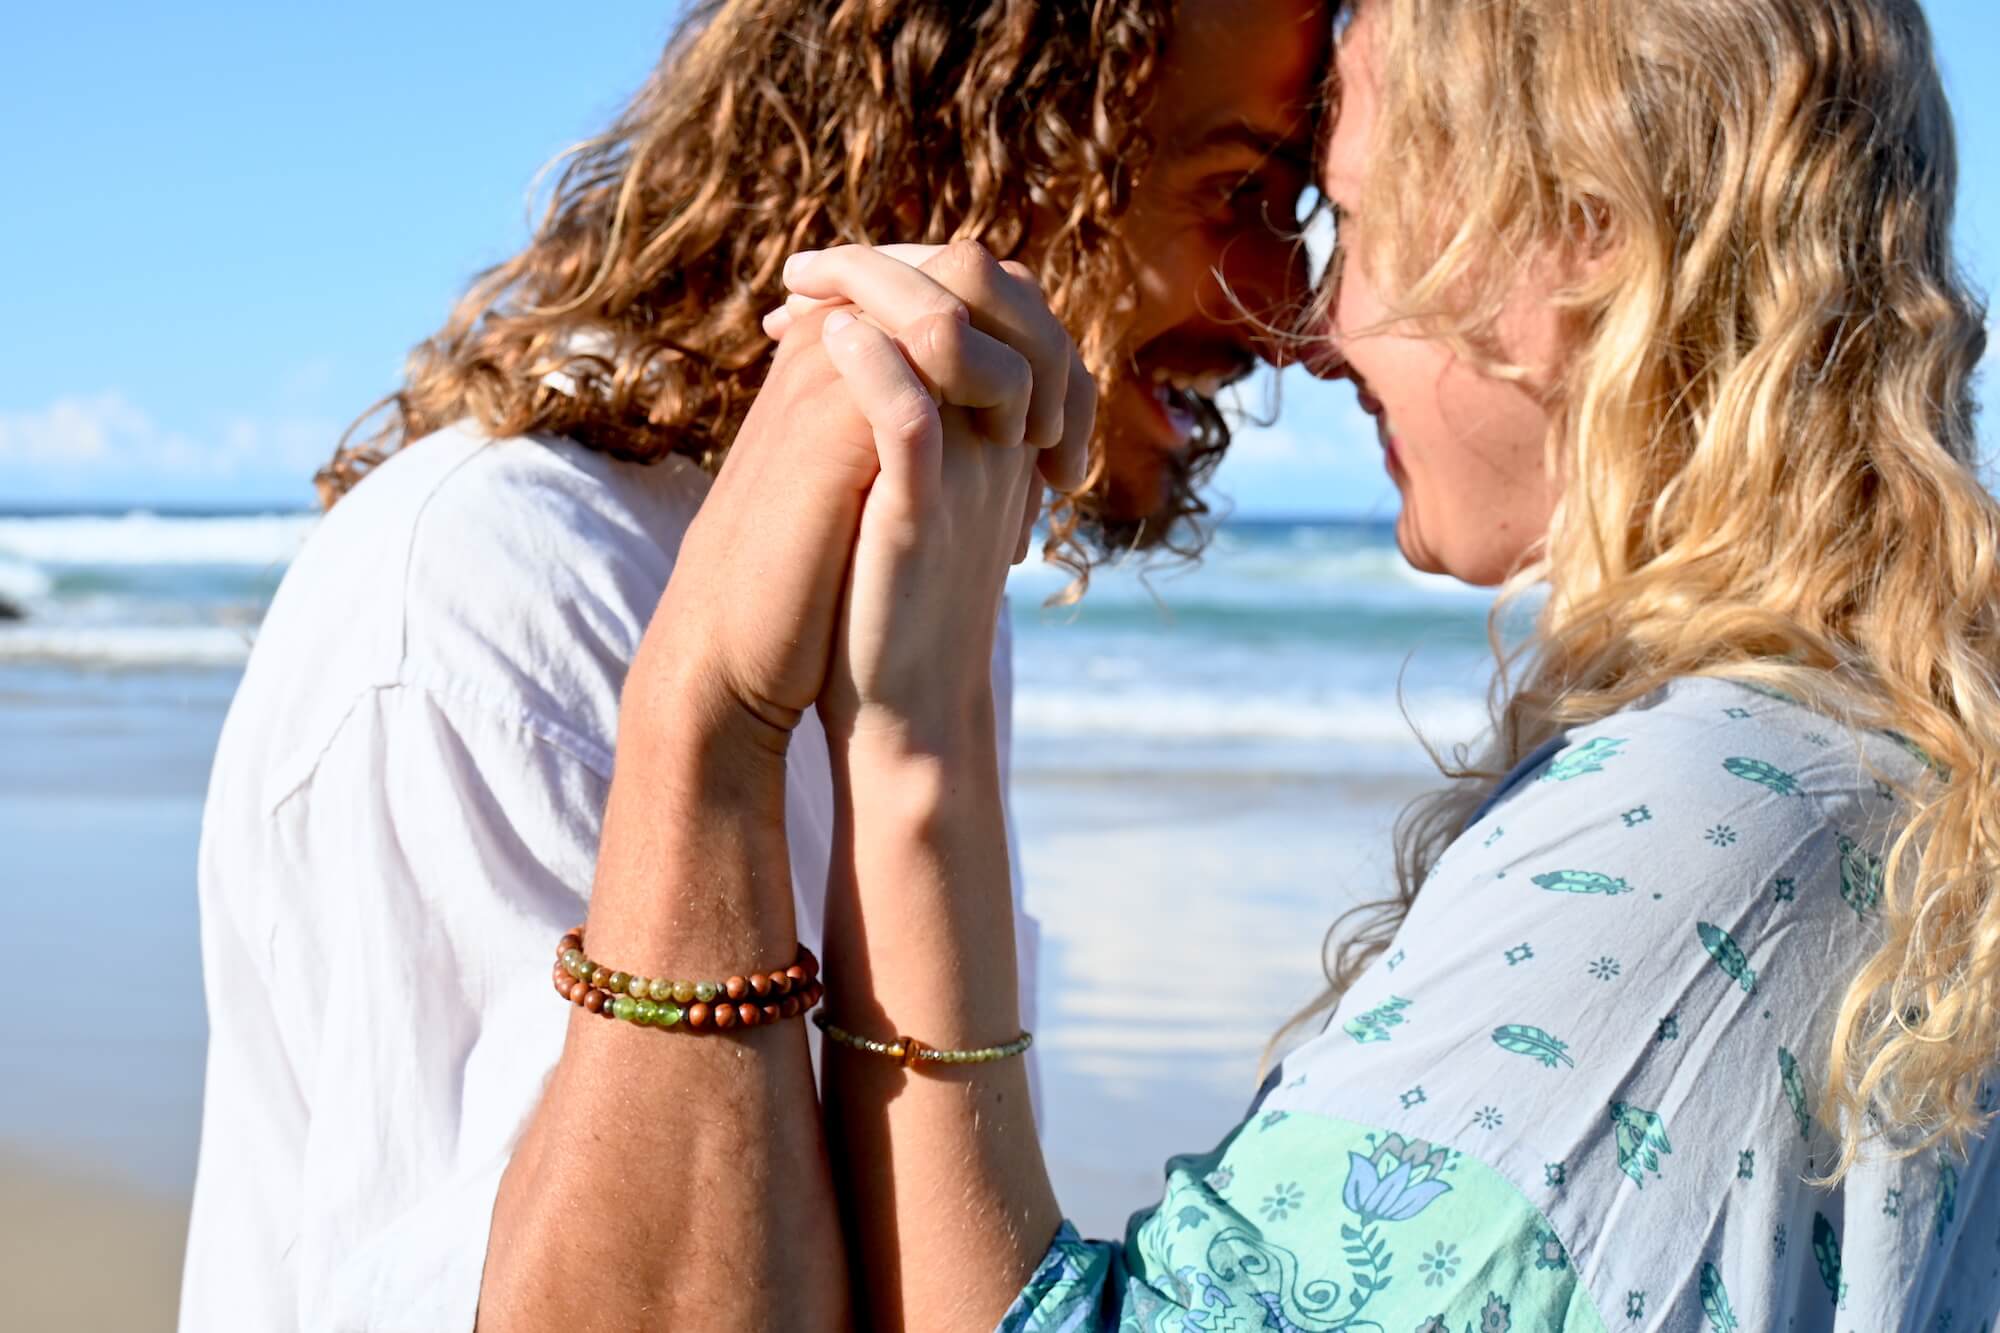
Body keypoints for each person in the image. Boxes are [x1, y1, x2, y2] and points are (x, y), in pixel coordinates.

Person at [482, 0, 2000, 1327]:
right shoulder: (1853, 770)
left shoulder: (1711, 824)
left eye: (1349, 219)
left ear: (1582, 231)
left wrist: (883, 735)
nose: (1312, 329)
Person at [178, 0, 1327, 1327]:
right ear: (959, 161)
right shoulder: (495, 591)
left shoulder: (911, 559)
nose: (1291, 312)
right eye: (1236, 189)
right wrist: (707, 731)